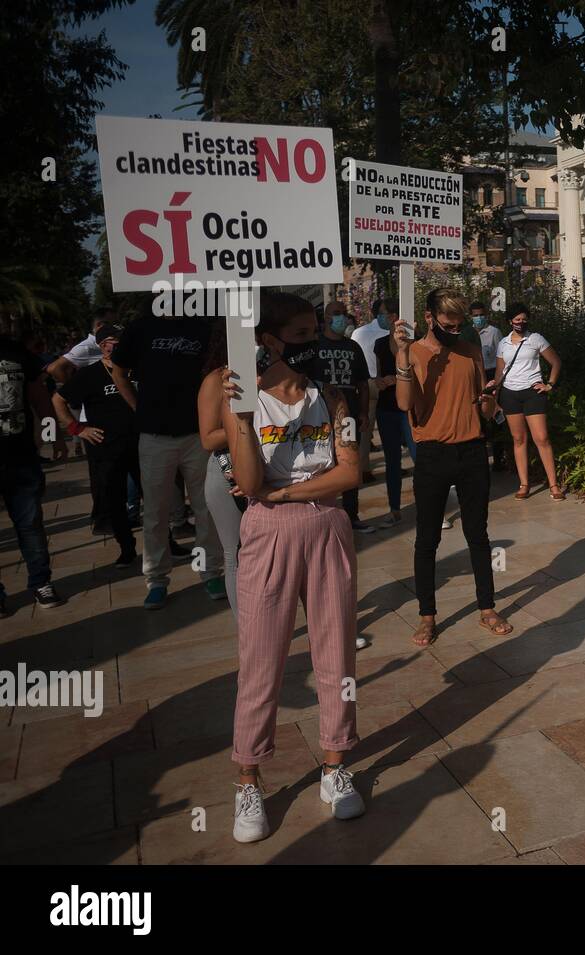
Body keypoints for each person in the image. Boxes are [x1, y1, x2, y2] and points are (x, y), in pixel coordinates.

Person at [220, 292, 364, 843]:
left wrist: (287, 494)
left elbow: (351, 472)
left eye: (319, 331)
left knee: (337, 653)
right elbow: (252, 483)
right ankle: (249, 778)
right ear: (269, 340)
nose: (318, 343)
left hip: (327, 528)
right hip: (267, 537)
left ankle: (334, 766)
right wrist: (241, 421)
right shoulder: (235, 395)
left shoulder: (333, 397)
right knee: (261, 659)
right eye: (304, 335)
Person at [396, 287, 512, 646]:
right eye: (448, 324)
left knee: (478, 535)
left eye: (460, 324)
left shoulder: (471, 350)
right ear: (429, 318)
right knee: (426, 540)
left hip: (472, 452)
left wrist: (491, 400)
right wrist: (402, 354)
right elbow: (404, 404)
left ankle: (487, 608)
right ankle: (427, 616)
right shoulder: (414, 353)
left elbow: (484, 409)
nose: (455, 330)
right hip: (432, 453)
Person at [110, 310, 225, 607]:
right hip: (154, 436)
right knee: (156, 513)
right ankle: (157, 580)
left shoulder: (202, 327)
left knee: (206, 507)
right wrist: (138, 408)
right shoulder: (140, 327)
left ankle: (210, 571)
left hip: (198, 435)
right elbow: (118, 371)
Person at [52, 324, 139, 568]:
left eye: (122, 340)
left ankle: (167, 542)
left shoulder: (136, 369)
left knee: (155, 499)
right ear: (102, 346)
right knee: (115, 500)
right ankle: (127, 548)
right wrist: (77, 430)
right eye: (113, 341)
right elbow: (58, 400)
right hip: (106, 450)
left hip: (141, 444)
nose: (119, 346)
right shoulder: (89, 375)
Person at [0, 332, 64, 615]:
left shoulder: (15, 351)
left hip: (20, 457)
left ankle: (41, 582)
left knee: (30, 524)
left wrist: (55, 436)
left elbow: (39, 397)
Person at [494, 304, 564, 501]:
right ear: (510, 321)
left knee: (542, 438)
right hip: (509, 393)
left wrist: (550, 384)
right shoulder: (503, 343)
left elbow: (556, 361)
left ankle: (554, 484)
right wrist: (495, 398)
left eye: (524, 319)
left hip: (532, 392)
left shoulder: (535, 338)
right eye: (517, 319)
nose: (521, 322)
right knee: (518, 439)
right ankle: (524, 484)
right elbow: (500, 372)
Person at [197, 334, 246, 612]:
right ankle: (247, 636)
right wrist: (246, 425)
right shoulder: (216, 380)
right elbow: (207, 439)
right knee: (235, 555)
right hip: (226, 472)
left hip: (264, 470)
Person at [317, 302, 374, 534]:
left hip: (349, 417)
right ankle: (323, 516)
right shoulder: (315, 346)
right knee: (322, 466)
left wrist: (362, 412)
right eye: (336, 314)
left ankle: (351, 516)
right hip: (321, 418)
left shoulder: (353, 347)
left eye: (344, 314)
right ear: (326, 318)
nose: (341, 318)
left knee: (351, 466)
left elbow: (363, 384)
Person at [371, 324, 418, 529]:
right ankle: (394, 509)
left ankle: (429, 508)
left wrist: (402, 378)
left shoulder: (416, 342)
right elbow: (377, 377)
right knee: (392, 460)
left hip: (410, 408)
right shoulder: (380, 344)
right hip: (387, 408)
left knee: (419, 457)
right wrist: (381, 381)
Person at [348, 300, 389, 484]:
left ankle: (364, 469)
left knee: (368, 431)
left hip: (378, 383)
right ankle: (367, 468)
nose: (387, 316)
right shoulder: (386, 331)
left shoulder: (359, 332)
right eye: (385, 313)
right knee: (370, 429)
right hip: (376, 383)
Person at [471, 301, 508, 472]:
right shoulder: (468, 333)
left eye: (481, 315)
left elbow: (502, 357)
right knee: (478, 419)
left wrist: (497, 383)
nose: (478, 318)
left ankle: (499, 458)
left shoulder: (494, 332)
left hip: (492, 374)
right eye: (475, 315)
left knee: (495, 417)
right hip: (475, 376)